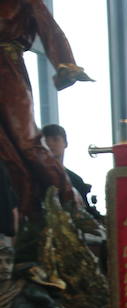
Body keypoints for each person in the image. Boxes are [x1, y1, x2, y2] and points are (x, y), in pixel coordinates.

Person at [0, 0, 93, 215]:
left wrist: (66, 64)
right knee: (5, 151)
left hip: (8, 71)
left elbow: (48, 27)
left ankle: (71, 204)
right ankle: (24, 213)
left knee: (27, 143)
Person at [39, 124, 97, 217]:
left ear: (65, 143)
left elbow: (85, 211)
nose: (50, 144)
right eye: (46, 141)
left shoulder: (76, 180)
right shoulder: (37, 177)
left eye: (55, 139)